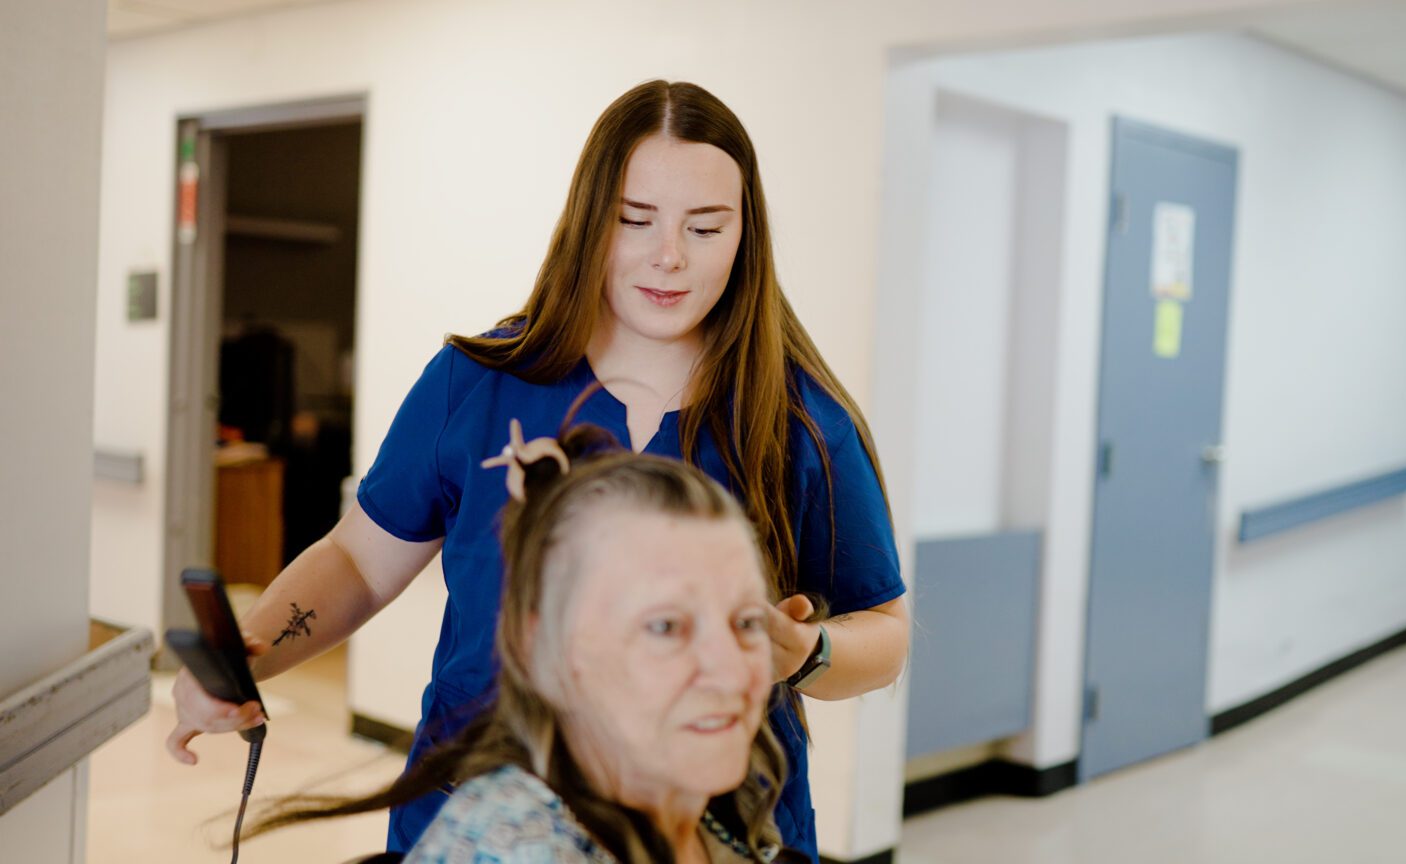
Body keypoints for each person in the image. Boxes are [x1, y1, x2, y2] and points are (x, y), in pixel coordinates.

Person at [169, 79, 909, 860]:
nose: (669, 255)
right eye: (635, 220)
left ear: (745, 235)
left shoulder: (797, 420)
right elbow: (358, 560)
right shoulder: (479, 380)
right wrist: (247, 658)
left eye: (705, 227)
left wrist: (806, 654)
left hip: (709, 829)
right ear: (591, 220)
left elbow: (882, 631)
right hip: (481, 803)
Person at [246, 421, 807, 863]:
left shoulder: (713, 802)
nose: (731, 672)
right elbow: (357, 562)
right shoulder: (520, 846)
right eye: (665, 627)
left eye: (747, 622)